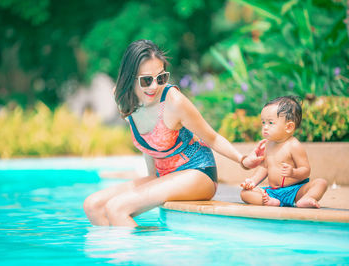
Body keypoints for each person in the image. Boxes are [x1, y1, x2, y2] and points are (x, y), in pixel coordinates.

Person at [83, 39, 266, 227]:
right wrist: (151, 178)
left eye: (161, 78)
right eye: (146, 80)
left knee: (117, 208)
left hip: (197, 172)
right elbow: (148, 143)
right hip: (165, 175)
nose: (154, 86)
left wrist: (243, 160)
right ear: (130, 78)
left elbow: (212, 137)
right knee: (93, 205)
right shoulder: (123, 99)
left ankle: (138, 255)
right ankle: (115, 252)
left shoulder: (174, 102)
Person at [240, 96, 328, 208]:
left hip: (296, 190)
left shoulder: (294, 145)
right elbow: (264, 167)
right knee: (244, 193)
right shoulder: (268, 144)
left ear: (289, 127)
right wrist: (252, 182)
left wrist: (293, 173)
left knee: (321, 183)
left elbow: (306, 170)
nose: (265, 127)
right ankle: (271, 202)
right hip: (273, 192)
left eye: (270, 123)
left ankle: (307, 198)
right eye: (263, 123)